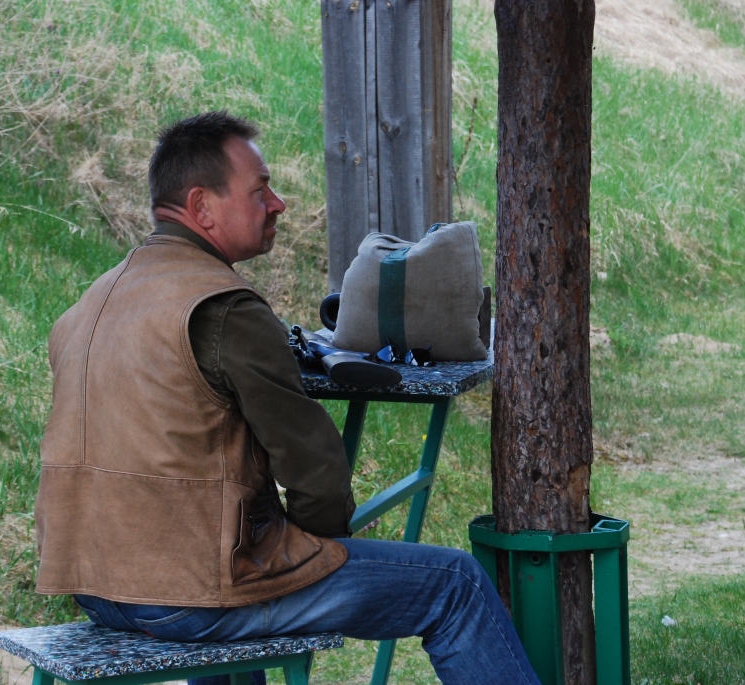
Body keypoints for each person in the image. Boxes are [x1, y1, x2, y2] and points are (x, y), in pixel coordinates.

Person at [34, 111, 540, 685]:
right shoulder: (224, 308)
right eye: (260, 191)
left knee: (224, 575)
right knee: (456, 585)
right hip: (189, 596)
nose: (277, 204)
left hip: (95, 586)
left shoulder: (90, 302)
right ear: (201, 207)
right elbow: (316, 471)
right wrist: (319, 548)